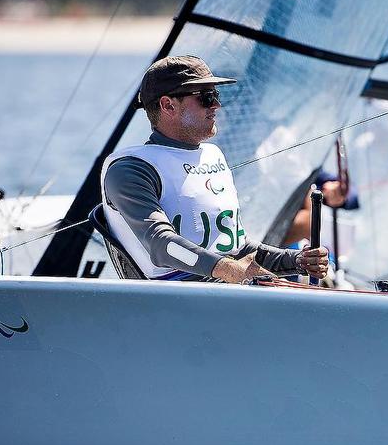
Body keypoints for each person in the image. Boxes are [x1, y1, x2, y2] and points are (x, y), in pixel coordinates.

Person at [101, 55, 328, 283]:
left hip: (220, 292)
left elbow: (239, 248)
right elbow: (161, 244)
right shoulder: (130, 169)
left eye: (216, 95)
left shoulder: (213, 155)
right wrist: (229, 270)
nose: (217, 105)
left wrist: (297, 261)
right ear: (168, 105)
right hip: (175, 299)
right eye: (206, 98)